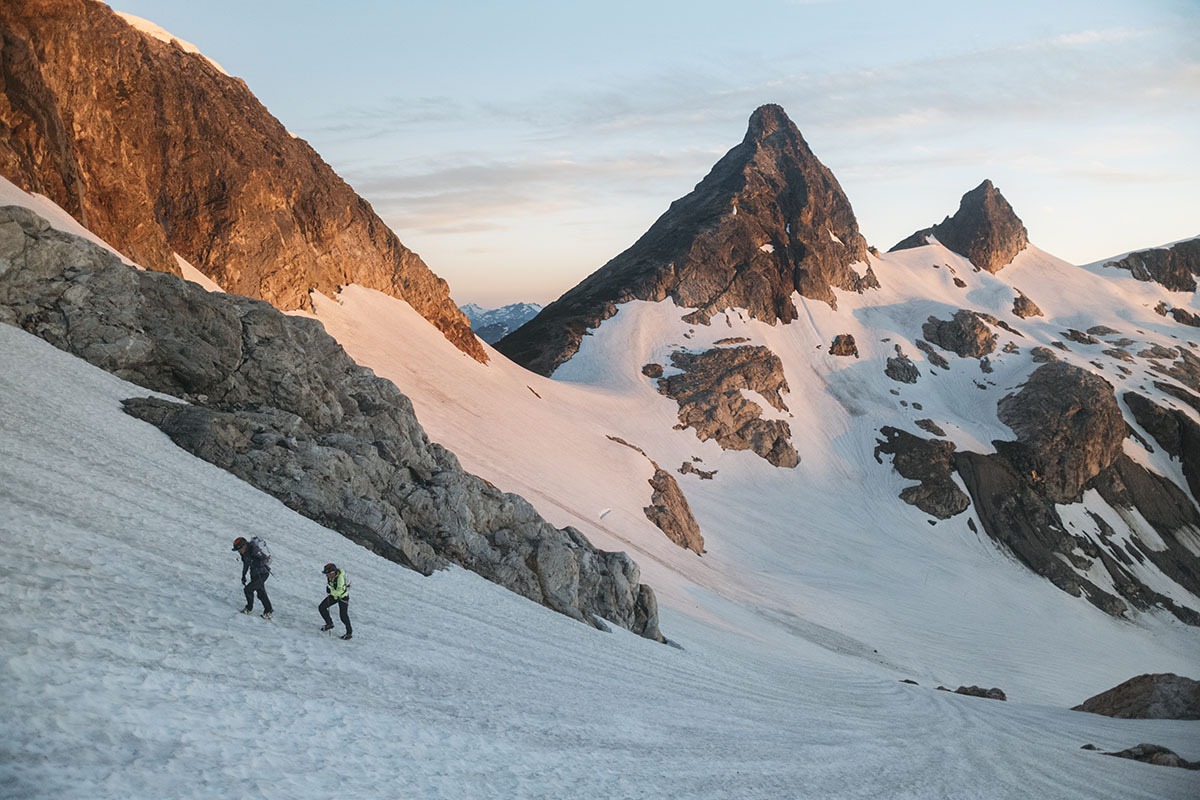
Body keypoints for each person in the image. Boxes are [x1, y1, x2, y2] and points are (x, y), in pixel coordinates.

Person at [233, 537, 273, 619]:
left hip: (263, 573)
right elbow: (246, 565)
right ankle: (268, 611)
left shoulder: (254, 549)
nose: (239, 551)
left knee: (248, 590)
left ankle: (249, 609)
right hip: (255, 574)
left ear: (244, 546)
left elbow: (264, 559)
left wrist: (255, 562)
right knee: (261, 593)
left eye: (239, 549)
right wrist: (243, 576)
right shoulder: (244, 554)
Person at [319, 562, 352, 640]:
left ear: (332, 572)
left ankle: (349, 633)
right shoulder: (331, 576)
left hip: (342, 597)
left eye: (327, 574)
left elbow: (340, 591)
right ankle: (329, 623)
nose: (326, 575)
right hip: (334, 595)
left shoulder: (340, 579)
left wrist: (330, 591)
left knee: (343, 616)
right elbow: (330, 583)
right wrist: (328, 587)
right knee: (321, 607)